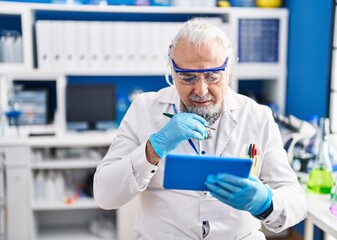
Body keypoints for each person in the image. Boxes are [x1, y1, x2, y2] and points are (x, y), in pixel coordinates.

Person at [93, 17, 307, 239]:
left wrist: (265, 202)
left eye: (212, 76)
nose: (201, 90)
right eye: (187, 78)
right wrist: (152, 150)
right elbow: (105, 195)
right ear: (173, 74)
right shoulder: (144, 109)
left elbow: (297, 202)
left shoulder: (257, 116)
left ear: (229, 71)